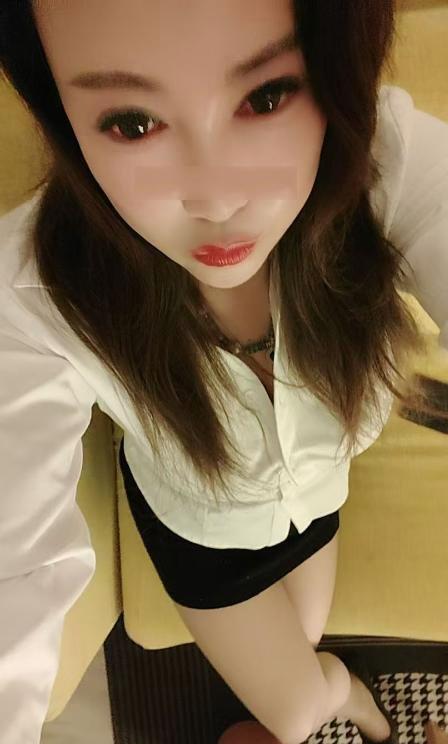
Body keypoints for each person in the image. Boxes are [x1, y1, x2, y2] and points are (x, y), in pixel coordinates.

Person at [0, 1, 447, 743]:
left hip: (316, 502)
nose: (217, 199)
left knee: (302, 645)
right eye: (132, 122)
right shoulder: (32, 291)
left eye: (267, 97)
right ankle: (347, 696)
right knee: (295, 715)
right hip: (201, 535)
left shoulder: (380, 167)